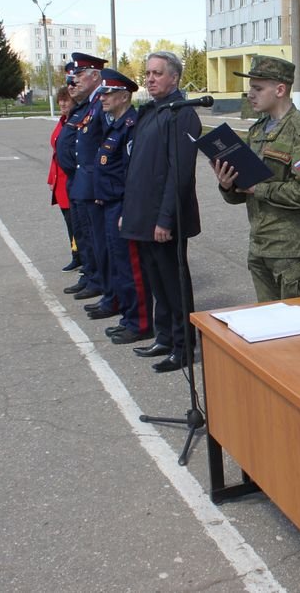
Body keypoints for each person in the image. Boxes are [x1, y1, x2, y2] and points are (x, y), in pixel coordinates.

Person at [214, 55, 300, 302]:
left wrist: (260, 189)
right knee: (269, 326)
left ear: (280, 89)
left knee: (299, 326)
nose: (250, 95)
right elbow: (243, 191)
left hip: (291, 251)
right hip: (260, 245)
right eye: (250, 89)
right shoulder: (258, 130)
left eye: (257, 88)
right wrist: (228, 185)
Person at [120, 51, 201, 373]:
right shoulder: (152, 111)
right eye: (148, 73)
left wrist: (165, 219)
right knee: (157, 282)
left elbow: (178, 173)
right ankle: (165, 337)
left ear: (174, 78)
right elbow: (137, 169)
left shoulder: (181, 114)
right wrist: (129, 212)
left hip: (165, 220)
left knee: (174, 283)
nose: (150, 79)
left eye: (157, 73)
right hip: (143, 216)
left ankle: (183, 347)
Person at [85, 68, 154, 345]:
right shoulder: (114, 125)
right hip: (109, 204)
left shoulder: (130, 127)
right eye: (101, 93)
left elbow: (131, 175)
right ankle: (128, 317)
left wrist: (127, 210)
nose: (102, 98)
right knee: (118, 265)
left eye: (108, 93)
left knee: (131, 269)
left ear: (124, 96)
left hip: (122, 207)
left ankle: (140, 323)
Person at [58, 53, 108, 301]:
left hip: (92, 184)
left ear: (95, 75)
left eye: (78, 75)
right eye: (72, 76)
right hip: (77, 182)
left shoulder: (101, 104)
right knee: (83, 235)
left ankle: (99, 280)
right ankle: (90, 275)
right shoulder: (84, 107)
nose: (73, 81)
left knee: (94, 236)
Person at [47, 85, 80, 272]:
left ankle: (79, 255)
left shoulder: (73, 123)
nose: (62, 104)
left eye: (66, 100)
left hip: (70, 178)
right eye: (60, 100)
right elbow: (55, 153)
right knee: (69, 222)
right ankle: (76, 254)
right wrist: (51, 179)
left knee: (76, 222)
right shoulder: (62, 122)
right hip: (60, 180)